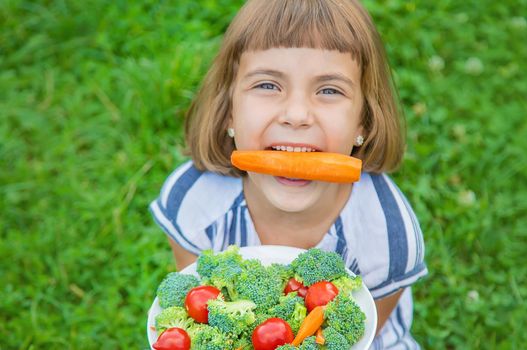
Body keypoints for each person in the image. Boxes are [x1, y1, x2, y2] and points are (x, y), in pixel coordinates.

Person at [149, 0, 427, 348]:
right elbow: (200, 317)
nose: (296, 115)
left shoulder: (386, 236)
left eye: (329, 90)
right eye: (267, 85)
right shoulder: (192, 202)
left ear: (364, 123)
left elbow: (360, 336)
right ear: (229, 113)